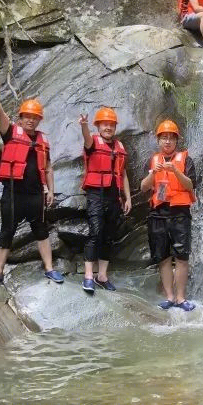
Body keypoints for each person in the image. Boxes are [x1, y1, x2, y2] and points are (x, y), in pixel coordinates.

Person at [0, 82, 63, 284]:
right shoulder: (11, 133)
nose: (31, 121)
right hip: (13, 193)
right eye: (28, 117)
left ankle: (49, 268)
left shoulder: (43, 142)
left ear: (39, 120)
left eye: (35, 118)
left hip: (35, 194)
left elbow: (48, 167)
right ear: (21, 118)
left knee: (41, 230)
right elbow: (0, 114)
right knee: (7, 230)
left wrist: (51, 190)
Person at [140, 120, 197, 311]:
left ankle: (181, 298)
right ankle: (170, 297)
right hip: (158, 213)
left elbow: (190, 185)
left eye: (171, 138)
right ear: (158, 141)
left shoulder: (186, 160)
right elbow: (143, 187)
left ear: (176, 141)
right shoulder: (153, 160)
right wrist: (152, 174)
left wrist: (175, 171)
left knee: (181, 256)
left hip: (180, 213)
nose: (167, 141)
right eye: (164, 138)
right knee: (163, 257)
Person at [79, 107, 132, 293]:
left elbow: (123, 174)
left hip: (114, 197)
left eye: (111, 124)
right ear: (98, 126)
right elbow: (86, 139)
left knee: (109, 237)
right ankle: (88, 276)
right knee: (95, 232)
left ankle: (102, 276)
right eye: (105, 124)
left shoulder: (120, 146)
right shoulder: (92, 142)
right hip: (96, 194)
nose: (108, 127)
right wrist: (84, 126)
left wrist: (128, 198)